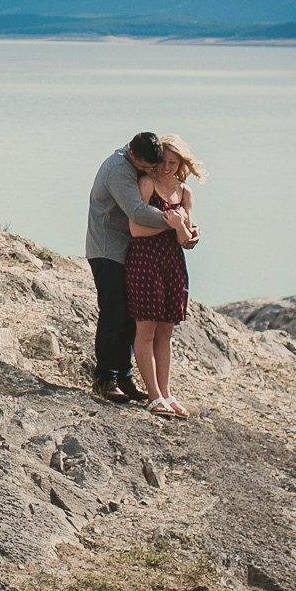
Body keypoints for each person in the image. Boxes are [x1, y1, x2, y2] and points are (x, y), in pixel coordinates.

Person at [85, 132, 193, 403]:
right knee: (113, 314)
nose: (149, 172)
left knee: (130, 316)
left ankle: (125, 376)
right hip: (107, 249)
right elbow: (137, 212)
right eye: (146, 167)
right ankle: (105, 378)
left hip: (127, 251)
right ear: (132, 155)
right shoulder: (118, 169)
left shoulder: (139, 163)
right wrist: (176, 223)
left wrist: (187, 229)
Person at [127, 133, 203, 418]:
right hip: (145, 261)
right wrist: (173, 226)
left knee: (166, 332)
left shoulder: (185, 193)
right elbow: (135, 230)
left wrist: (185, 232)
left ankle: (167, 393)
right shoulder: (146, 184)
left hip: (173, 264)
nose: (167, 167)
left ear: (181, 162)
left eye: (174, 161)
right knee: (145, 331)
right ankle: (153, 395)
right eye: (163, 160)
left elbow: (187, 240)